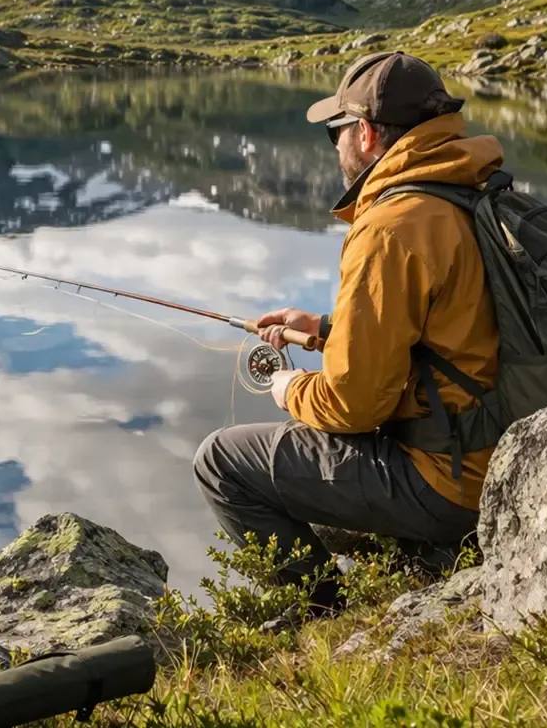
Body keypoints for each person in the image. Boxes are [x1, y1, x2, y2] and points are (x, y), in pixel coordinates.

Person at [193, 50, 504, 609]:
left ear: (364, 133)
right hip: (515, 450)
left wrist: (288, 389)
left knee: (221, 461)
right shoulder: (474, 187)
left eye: (334, 131)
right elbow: (460, 326)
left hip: (458, 483)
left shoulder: (393, 225)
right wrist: (323, 330)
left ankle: (324, 611)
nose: (335, 146)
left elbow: (353, 406)